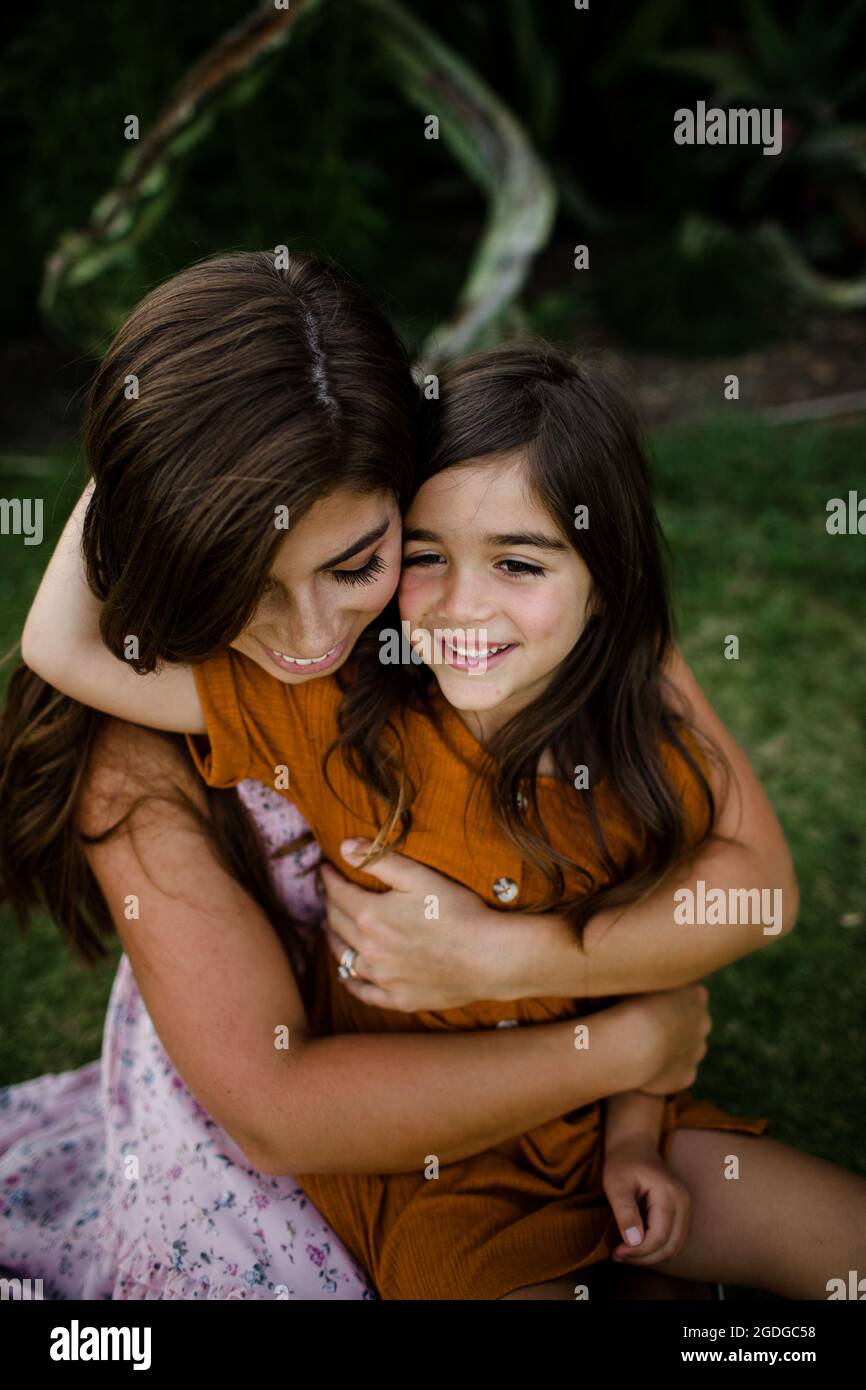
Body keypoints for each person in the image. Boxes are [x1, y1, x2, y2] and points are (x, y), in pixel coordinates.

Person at [21, 311, 854, 1298]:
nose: (462, 606)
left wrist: (629, 1122)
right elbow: (62, 650)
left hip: (609, 1136)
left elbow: (672, 968)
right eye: (426, 556)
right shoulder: (332, 722)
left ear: (605, 580)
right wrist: (157, 444)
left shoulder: (636, 755)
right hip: (444, 1194)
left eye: (518, 562)